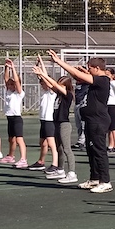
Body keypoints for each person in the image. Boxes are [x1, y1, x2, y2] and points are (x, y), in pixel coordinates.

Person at [49, 51, 114, 193]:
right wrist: (81, 71)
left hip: (98, 120)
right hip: (90, 120)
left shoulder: (103, 80)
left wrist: (59, 61)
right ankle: (94, 179)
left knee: (99, 151)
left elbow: (78, 75)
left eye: (90, 68)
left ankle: (105, 181)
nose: (88, 70)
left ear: (97, 68)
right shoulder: (95, 80)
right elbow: (78, 76)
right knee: (91, 150)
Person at [31, 57, 77, 185]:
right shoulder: (58, 95)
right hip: (56, 123)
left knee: (67, 149)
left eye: (61, 84)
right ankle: (60, 170)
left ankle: (72, 173)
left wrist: (43, 73)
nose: (58, 86)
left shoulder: (68, 95)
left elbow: (55, 85)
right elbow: (51, 84)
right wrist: (41, 73)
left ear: (66, 86)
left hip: (64, 124)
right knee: (59, 148)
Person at [31, 60, 60, 171]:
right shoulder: (45, 93)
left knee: (51, 143)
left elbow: (46, 78)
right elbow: (41, 76)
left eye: (43, 83)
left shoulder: (53, 92)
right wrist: (39, 64)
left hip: (49, 120)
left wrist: (42, 65)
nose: (42, 85)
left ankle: (55, 163)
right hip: (43, 120)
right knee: (42, 142)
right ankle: (41, 161)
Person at [0, 58, 28, 167]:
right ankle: (10, 156)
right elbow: (6, 78)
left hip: (17, 118)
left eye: (12, 84)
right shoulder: (8, 92)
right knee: (11, 139)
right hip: (10, 118)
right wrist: (7, 67)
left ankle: (23, 159)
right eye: (9, 85)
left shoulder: (19, 93)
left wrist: (13, 68)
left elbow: (16, 80)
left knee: (19, 139)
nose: (10, 86)